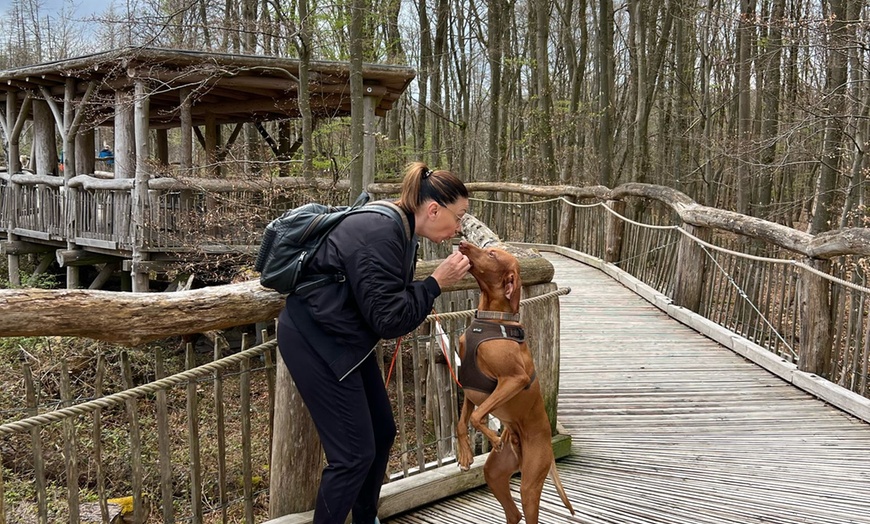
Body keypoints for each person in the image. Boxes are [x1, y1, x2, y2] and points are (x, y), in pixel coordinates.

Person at [277, 162, 471, 524]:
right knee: (352, 455)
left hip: (346, 338)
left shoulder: (401, 228)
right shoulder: (381, 232)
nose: (459, 227)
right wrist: (435, 284)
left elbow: (384, 305)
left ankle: (366, 518)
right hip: (315, 339)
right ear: (433, 209)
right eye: (458, 216)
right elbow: (390, 319)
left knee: (382, 432)